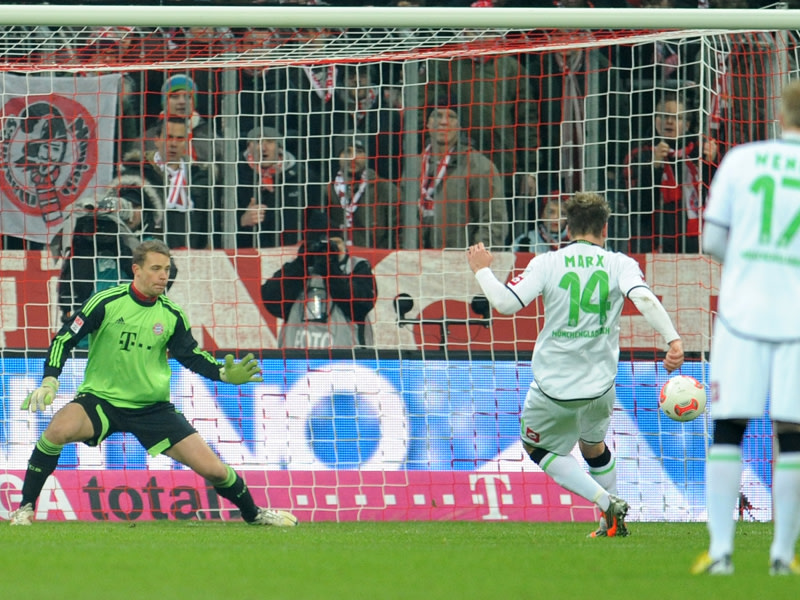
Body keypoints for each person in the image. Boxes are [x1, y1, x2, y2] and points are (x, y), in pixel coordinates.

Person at [10, 240, 297, 527]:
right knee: (56, 431)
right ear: (136, 270)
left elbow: (191, 357)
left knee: (216, 470)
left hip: (152, 409)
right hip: (101, 400)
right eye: (156, 268)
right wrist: (50, 380)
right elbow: (64, 339)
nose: (163, 276)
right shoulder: (105, 301)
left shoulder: (172, 315)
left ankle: (254, 514)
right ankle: (24, 508)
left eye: (167, 269)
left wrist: (222, 373)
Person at [467, 191, 684, 537]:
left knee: (537, 447)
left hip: (555, 386)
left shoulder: (547, 262)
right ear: (605, 227)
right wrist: (673, 340)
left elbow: (506, 304)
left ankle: (605, 501)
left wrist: (482, 271)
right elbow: (642, 297)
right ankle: (610, 524)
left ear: (567, 229)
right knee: (592, 446)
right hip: (601, 384)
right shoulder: (620, 263)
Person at [690, 80, 800, 576]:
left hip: (741, 312)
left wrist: (749, 268)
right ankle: (782, 555)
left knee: (729, 427)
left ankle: (720, 553)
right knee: (794, 434)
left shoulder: (742, 159)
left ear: (780, 111)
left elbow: (711, 238)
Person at [261, 211, 376, 349]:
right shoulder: (297, 269)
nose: (326, 250)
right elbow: (272, 302)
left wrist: (332, 270)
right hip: (296, 362)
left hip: (346, 364)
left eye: (333, 244)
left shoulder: (357, 267)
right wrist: (302, 262)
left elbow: (360, 306)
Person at [624, 90, 718, 254]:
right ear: (655, 120)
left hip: (697, 246)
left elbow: (717, 199)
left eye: (677, 118)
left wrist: (712, 163)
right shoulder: (638, 154)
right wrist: (654, 168)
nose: (669, 121)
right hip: (652, 244)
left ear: (687, 125)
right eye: (663, 115)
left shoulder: (699, 152)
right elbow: (635, 207)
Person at [406, 100, 507, 250]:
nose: (444, 122)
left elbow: (493, 221)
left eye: (451, 117)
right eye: (437, 115)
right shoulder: (412, 166)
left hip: (460, 263)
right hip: (414, 260)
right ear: (427, 123)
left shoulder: (479, 167)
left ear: (460, 125)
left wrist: (477, 263)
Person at [120, 116, 213, 250]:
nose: (173, 143)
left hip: (191, 257)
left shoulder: (201, 177)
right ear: (157, 140)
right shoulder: (136, 174)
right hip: (148, 257)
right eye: (169, 137)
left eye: (180, 138)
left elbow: (210, 223)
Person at [233, 126, 321, 249]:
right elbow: (216, 225)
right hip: (247, 257)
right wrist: (241, 222)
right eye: (257, 142)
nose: (263, 148)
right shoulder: (233, 176)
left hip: (292, 258)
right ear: (248, 146)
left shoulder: (304, 177)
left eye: (270, 141)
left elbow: (316, 220)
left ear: (280, 147)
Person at [326, 135, 399, 249]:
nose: (353, 157)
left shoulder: (385, 189)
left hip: (378, 263)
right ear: (338, 156)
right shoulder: (327, 192)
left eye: (359, 151)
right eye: (347, 152)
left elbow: (402, 231)